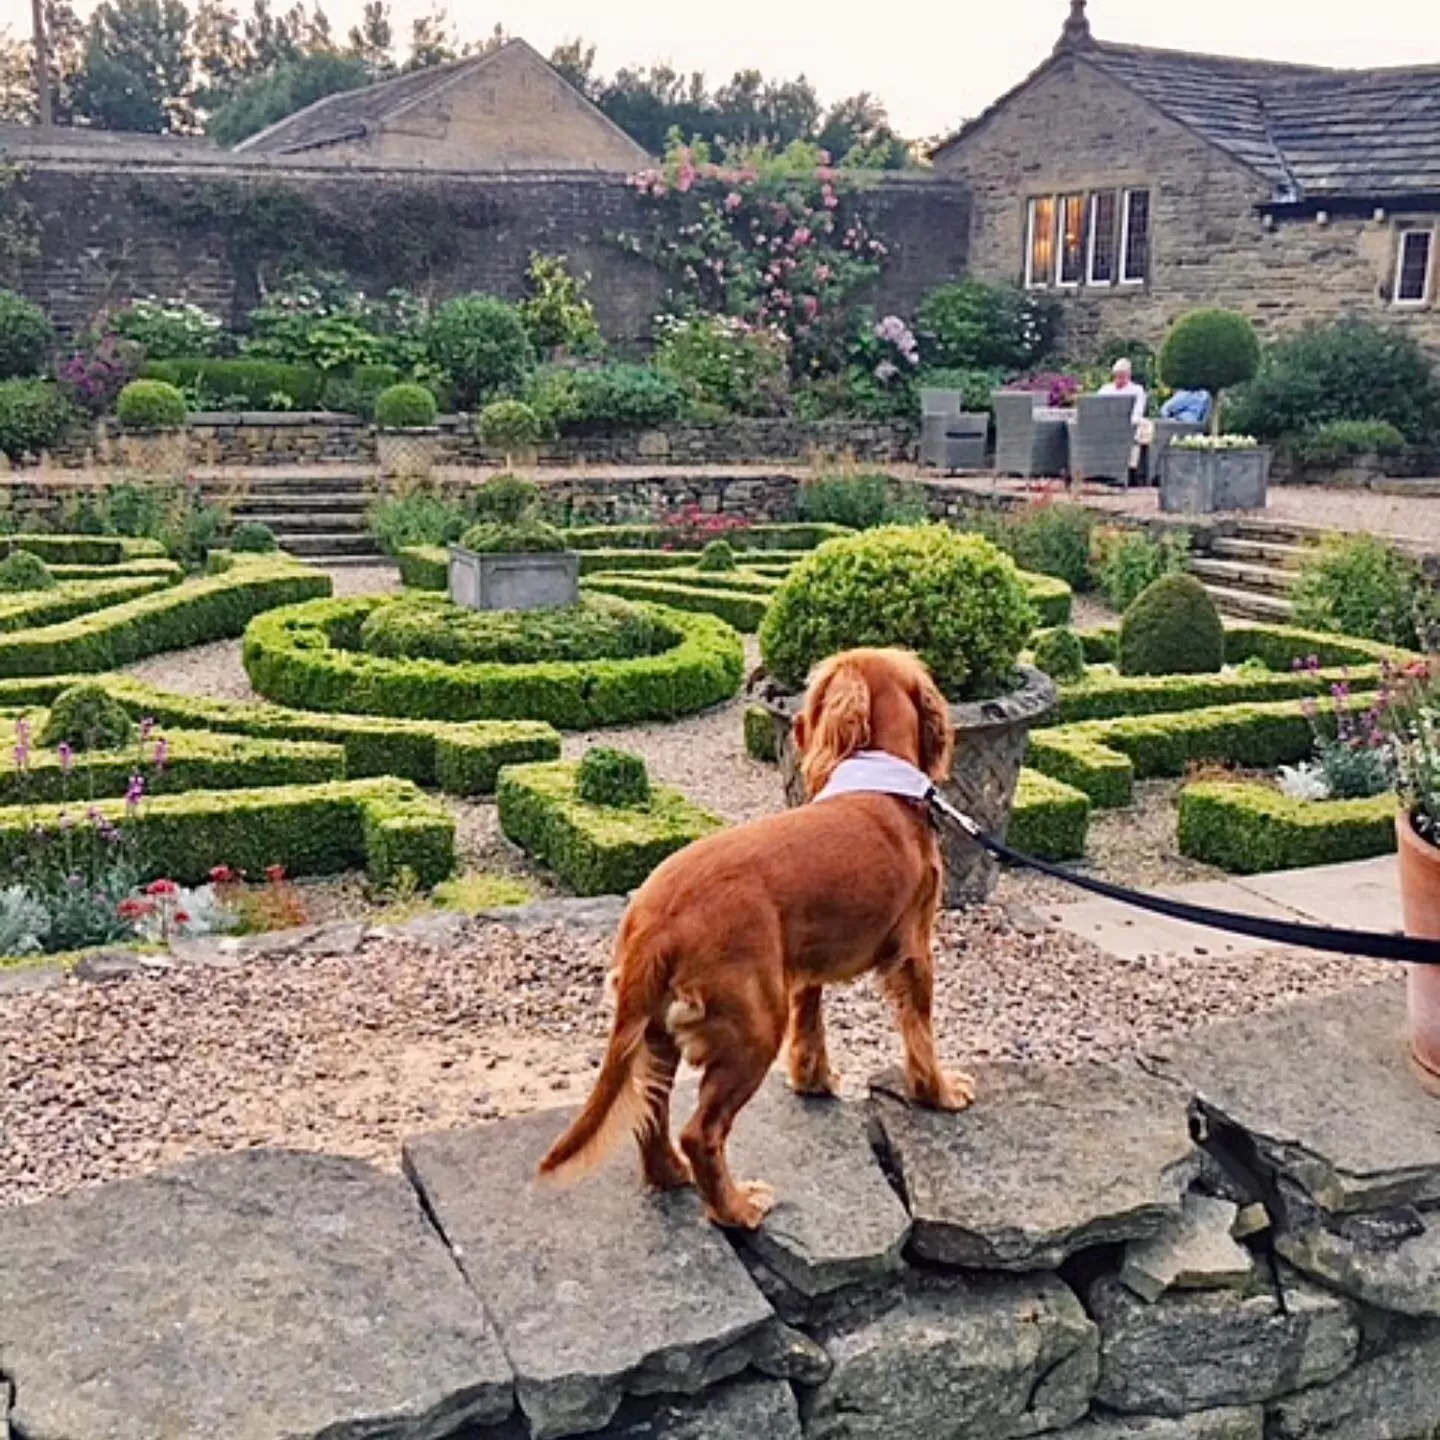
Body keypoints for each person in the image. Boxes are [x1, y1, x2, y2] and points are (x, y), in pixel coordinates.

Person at [1098, 358, 1147, 427]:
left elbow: (1138, 411)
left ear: (1129, 375)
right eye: (1117, 376)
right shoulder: (1105, 390)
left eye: (1122, 376)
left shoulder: (1137, 390)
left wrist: (1136, 420)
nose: (1119, 379)